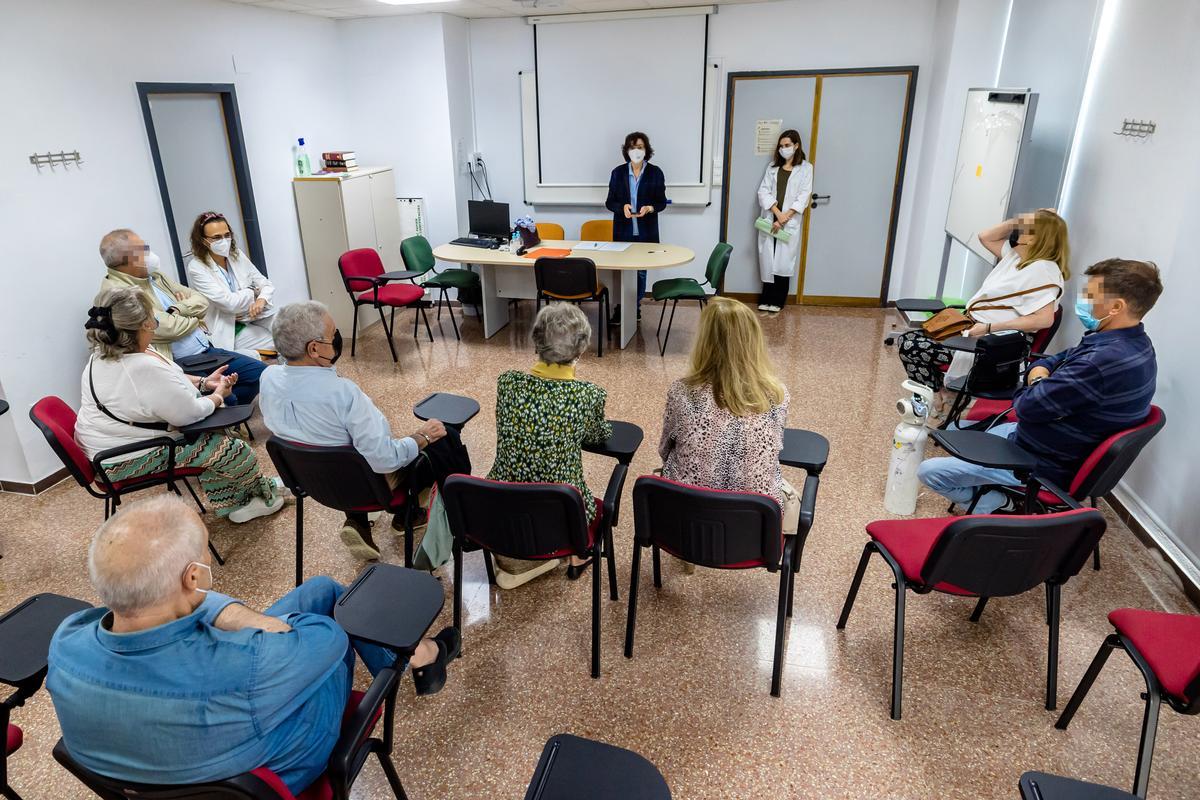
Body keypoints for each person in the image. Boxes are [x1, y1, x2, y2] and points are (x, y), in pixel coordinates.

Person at [47, 495, 459, 794]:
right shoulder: (249, 666)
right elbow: (329, 640)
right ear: (193, 579)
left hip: (168, 775)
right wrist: (255, 622)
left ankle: (422, 656)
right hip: (280, 770)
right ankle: (422, 657)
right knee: (334, 614)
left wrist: (222, 612)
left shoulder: (64, 646)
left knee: (320, 589)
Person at [919, 258, 1162, 514]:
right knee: (964, 434)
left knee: (931, 472)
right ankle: (993, 485)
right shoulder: (1134, 344)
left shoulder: (1100, 362)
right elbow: (1059, 359)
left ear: (1115, 307)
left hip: (1042, 462)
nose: (1084, 300)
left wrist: (1035, 377)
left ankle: (1002, 504)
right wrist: (1042, 374)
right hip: (1054, 440)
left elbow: (1024, 406)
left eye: (1090, 295)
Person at [259, 301, 470, 561]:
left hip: (314, 484)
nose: (337, 339)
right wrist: (422, 436)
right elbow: (385, 459)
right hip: (368, 487)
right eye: (332, 334)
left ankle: (360, 520)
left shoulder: (267, 379)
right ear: (314, 348)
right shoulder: (343, 393)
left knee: (342, 447)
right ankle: (428, 515)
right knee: (444, 438)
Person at [75, 288, 284, 523]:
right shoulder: (140, 366)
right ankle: (256, 496)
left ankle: (236, 502)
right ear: (144, 325)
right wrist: (218, 395)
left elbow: (169, 380)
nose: (156, 324)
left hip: (108, 450)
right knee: (231, 449)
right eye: (154, 319)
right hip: (121, 461)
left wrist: (204, 382)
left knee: (213, 436)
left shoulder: (103, 356)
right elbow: (189, 414)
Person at [659, 297, 799, 559]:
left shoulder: (681, 392)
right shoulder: (776, 395)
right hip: (753, 531)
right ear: (753, 340)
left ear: (704, 343)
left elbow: (665, 449)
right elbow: (775, 449)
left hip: (685, 523)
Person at [487, 303, 613, 588]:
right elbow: (596, 436)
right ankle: (576, 557)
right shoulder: (587, 395)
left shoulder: (507, 383)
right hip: (561, 511)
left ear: (536, 342)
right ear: (581, 350)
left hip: (499, 503)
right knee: (587, 502)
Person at [897, 209, 1069, 410]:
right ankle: (943, 394)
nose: (1019, 228)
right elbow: (985, 237)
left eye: (1024, 227)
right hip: (974, 329)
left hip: (996, 344)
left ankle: (939, 396)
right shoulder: (1016, 257)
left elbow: (1044, 320)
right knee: (910, 341)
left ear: (1035, 238)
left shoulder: (1044, 271)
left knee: (910, 344)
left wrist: (988, 328)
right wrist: (1020, 220)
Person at [98, 228, 265, 405]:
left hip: (206, 350)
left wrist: (177, 310)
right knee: (226, 397)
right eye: (143, 249)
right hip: (178, 363)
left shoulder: (155, 275)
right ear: (128, 260)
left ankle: (224, 409)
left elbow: (201, 302)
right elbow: (167, 328)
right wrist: (194, 318)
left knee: (260, 374)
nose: (149, 253)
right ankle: (219, 412)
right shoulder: (117, 292)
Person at [186, 211, 277, 357]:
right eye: (216, 237)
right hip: (231, 326)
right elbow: (229, 304)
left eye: (227, 235)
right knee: (278, 343)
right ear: (203, 240)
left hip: (257, 315)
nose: (224, 241)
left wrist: (261, 299)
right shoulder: (197, 267)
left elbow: (265, 283)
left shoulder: (237, 254)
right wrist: (253, 292)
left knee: (292, 332)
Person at [604, 131, 667, 320]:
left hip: (645, 232)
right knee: (622, 270)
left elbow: (661, 203)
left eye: (640, 147)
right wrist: (620, 207)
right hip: (624, 230)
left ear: (646, 150)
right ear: (627, 150)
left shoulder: (656, 173)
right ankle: (621, 306)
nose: (636, 151)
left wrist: (650, 208)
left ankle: (635, 305)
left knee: (640, 272)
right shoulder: (618, 172)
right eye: (633, 147)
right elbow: (609, 202)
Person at [756, 129, 813, 314]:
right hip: (769, 219)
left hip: (788, 221)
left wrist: (783, 218)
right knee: (768, 259)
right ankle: (766, 298)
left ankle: (778, 300)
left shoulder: (806, 168)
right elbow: (763, 191)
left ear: (796, 146)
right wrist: (776, 213)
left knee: (783, 261)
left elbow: (803, 196)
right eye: (781, 146)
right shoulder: (772, 167)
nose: (783, 149)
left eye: (787, 145)